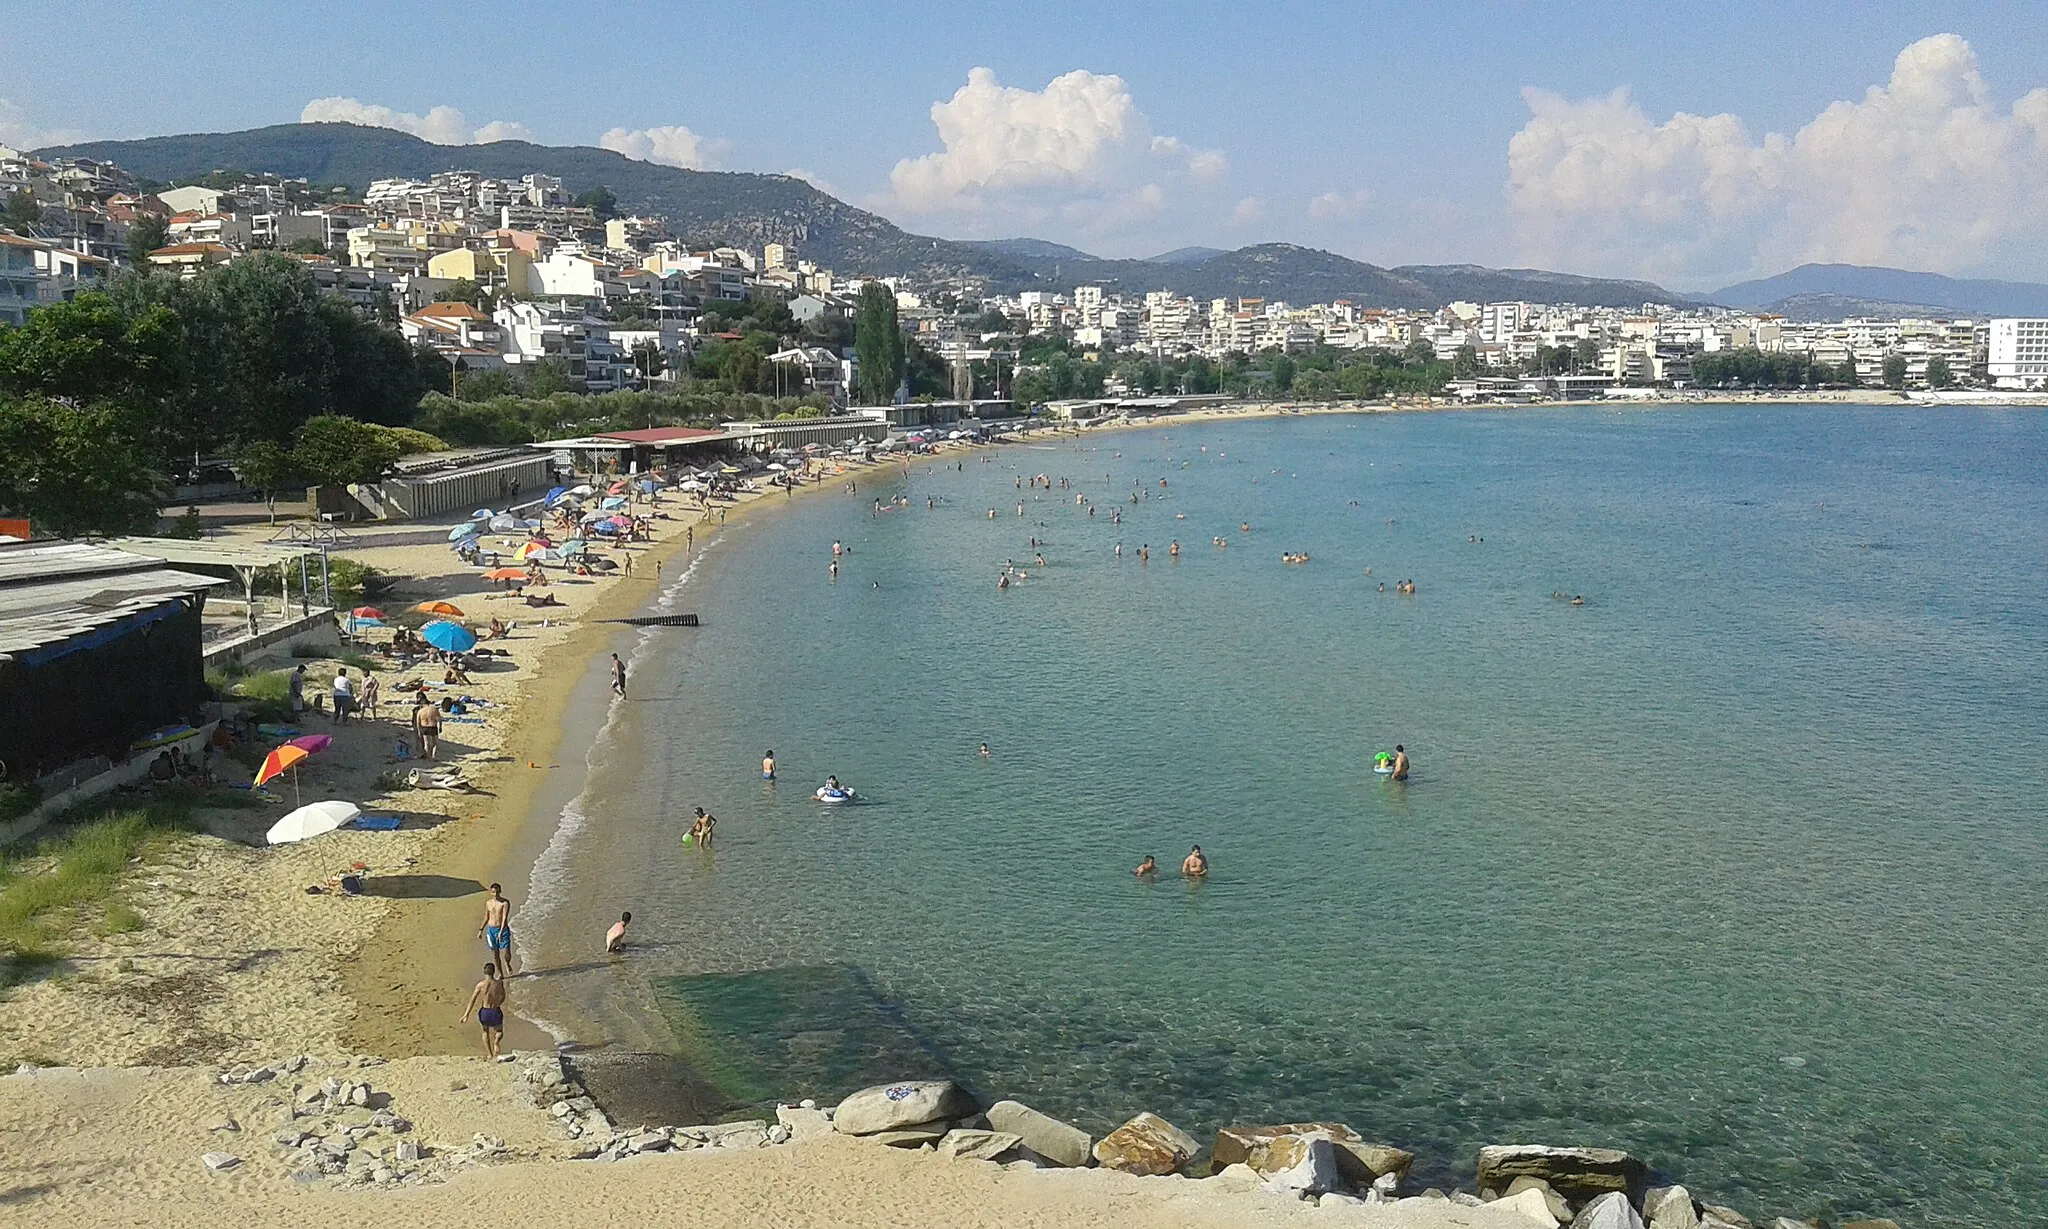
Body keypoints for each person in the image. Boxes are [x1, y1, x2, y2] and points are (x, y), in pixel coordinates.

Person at [460, 963, 507, 1059]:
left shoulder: (480, 985)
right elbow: (503, 996)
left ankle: (490, 1054)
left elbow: (472, 1000)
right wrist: (498, 1002)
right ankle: (496, 1042)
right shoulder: (499, 983)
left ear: (484, 972)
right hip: (495, 1010)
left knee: (485, 1032)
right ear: (494, 972)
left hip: (485, 1011)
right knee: (499, 1032)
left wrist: (466, 1015)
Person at [479, 883, 514, 974]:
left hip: (502, 929)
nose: (496, 894)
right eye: (494, 892)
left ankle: (507, 963)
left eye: (497, 892)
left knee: (506, 953)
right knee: (495, 954)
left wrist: (501, 931)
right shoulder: (488, 903)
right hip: (491, 930)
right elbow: (486, 917)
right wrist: (481, 930)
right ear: (491, 892)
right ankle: (501, 973)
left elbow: (504, 918)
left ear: (500, 891)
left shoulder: (505, 903)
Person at [412, 696, 442, 761]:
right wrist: (440, 727)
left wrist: (419, 731)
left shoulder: (420, 711)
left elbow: (418, 723)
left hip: (424, 727)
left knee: (427, 743)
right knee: (435, 743)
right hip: (433, 727)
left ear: (422, 704)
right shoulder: (434, 709)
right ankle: (434, 756)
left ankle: (428, 757)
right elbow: (439, 719)